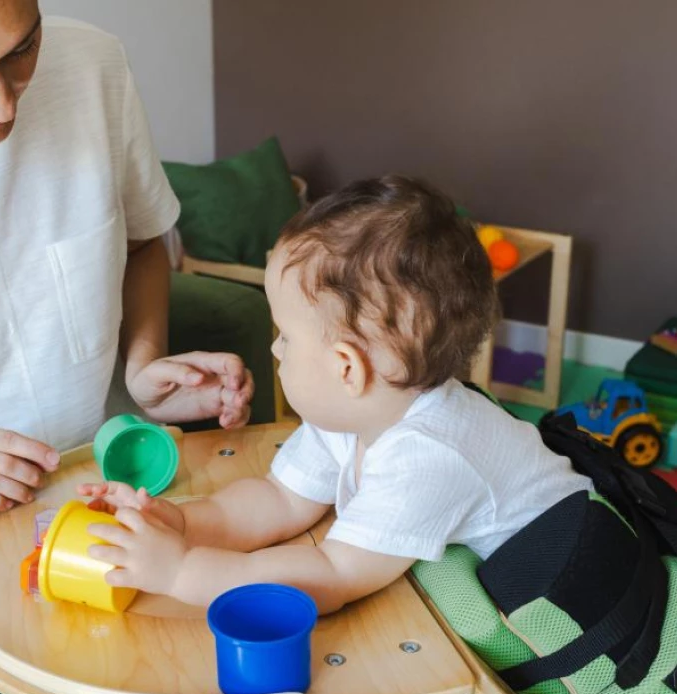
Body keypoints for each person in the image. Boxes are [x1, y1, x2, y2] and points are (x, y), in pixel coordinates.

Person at [0, 0, 253, 694]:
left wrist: (143, 370)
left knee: (144, 685)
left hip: (95, 468)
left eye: (20, 50)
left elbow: (142, 241)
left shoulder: (93, 63)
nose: (1, 103)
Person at [79, 175, 594, 616]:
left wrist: (182, 574)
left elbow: (330, 576)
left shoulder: (428, 453)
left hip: (570, 591)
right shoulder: (354, 413)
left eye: (285, 335)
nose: (275, 350)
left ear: (347, 367)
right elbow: (277, 502)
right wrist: (181, 524)